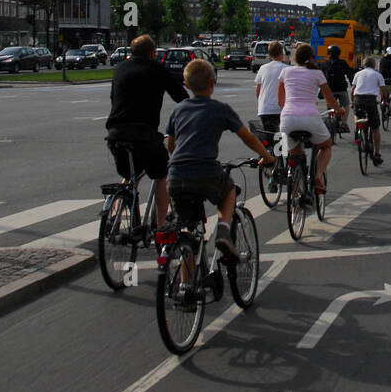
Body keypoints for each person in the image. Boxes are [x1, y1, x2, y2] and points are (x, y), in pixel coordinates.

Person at [164, 58, 274, 262]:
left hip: (176, 176)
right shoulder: (220, 109)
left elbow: (171, 146)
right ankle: (223, 230)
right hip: (206, 172)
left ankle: (185, 286)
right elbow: (248, 137)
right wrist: (266, 156)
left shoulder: (178, 110)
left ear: (186, 85)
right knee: (229, 189)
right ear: (212, 84)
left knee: (187, 230)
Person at [105, 35, 188, 231]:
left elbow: (113, 98)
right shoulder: (157, 70)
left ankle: (116, 213)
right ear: (153, 54)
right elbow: (181, 97)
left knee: (130, 173)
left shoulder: (119, 69)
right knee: (161, 173)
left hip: (116, 133)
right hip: (144, 135)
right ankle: (160, 226)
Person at [278, 43, 340, 202]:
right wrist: (340, 110)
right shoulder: (317, 74)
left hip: (288, 119)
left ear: (294, 58)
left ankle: (295, 193)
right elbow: (329, 98)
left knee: (295, 155)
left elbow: (280, 100)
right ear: (312, 57)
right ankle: (317, 175)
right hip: (310, 118)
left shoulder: (285, 71)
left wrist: (290, 110)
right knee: (326, 145)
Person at [350, 56, 386, 166]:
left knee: (358, 115)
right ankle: (377, 153)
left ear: (364, 65)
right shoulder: (377, 75)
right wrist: (385, 101)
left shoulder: (358, 74)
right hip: (371, 100)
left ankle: (358, 129)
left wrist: (352, 103)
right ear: (374, 65)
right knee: (375, 128)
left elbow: (352, 91)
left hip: (358, 99)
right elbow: (383, 91)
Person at [254, 40, 289, 135]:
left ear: (269, 54)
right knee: (284, 139)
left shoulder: (263, 68)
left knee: (270, 138)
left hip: (265, 110)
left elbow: (258, 91)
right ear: (282, 53)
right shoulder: (286, 69)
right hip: (281, 110)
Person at [320, 44, 354, 133]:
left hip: (329, 90)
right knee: (346, 105)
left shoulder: (324, 64)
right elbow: (350, 75)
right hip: (341, 89)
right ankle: (344, 123)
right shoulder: (343, 63)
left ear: (329, 53)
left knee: (329, 104)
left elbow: (322, 78)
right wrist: (352, 83)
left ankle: (330, 117)